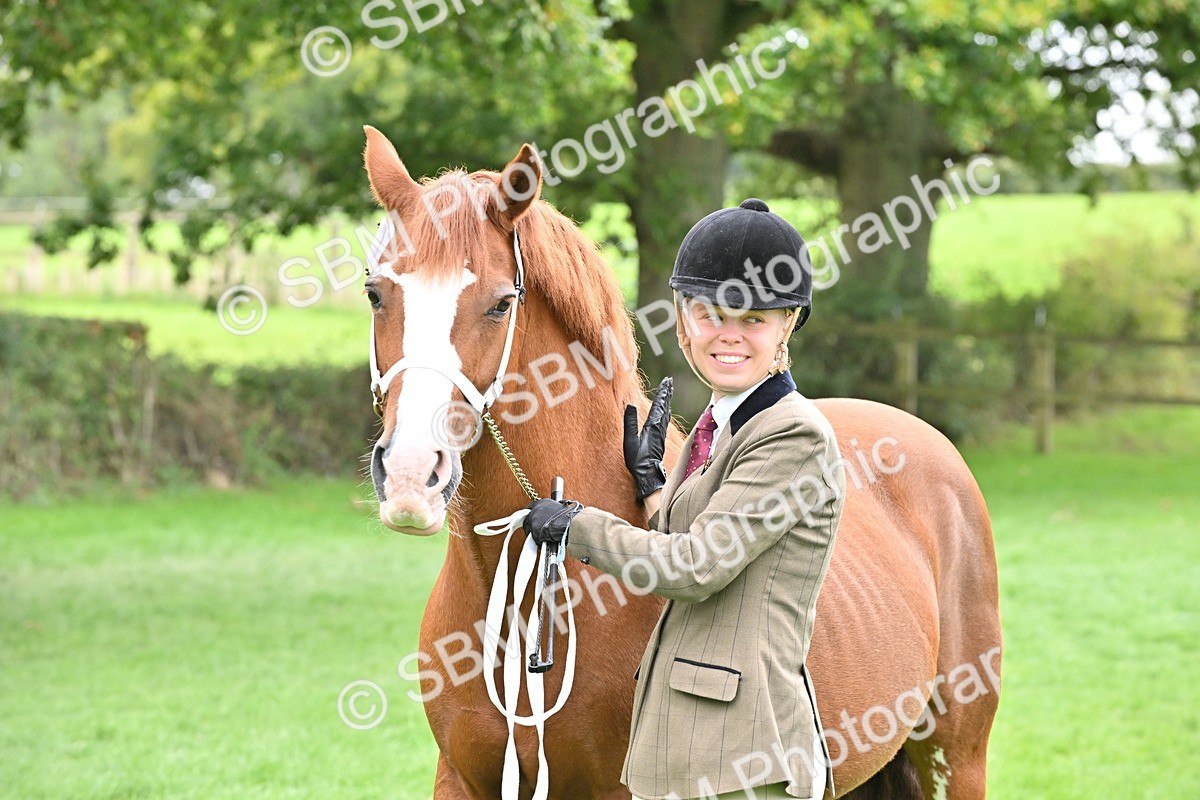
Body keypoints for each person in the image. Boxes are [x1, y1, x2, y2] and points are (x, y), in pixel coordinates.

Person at [524, 198, 845, 800]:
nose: (728, 335)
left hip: (745, 760)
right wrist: (651, 486)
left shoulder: (791, 434)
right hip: (689, 750)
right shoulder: (726, 423)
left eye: (754, 319)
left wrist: (577, 526)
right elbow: (691, 543)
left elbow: (694, 567)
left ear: (788, 323)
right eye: (709, 313)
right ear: (681, 319)